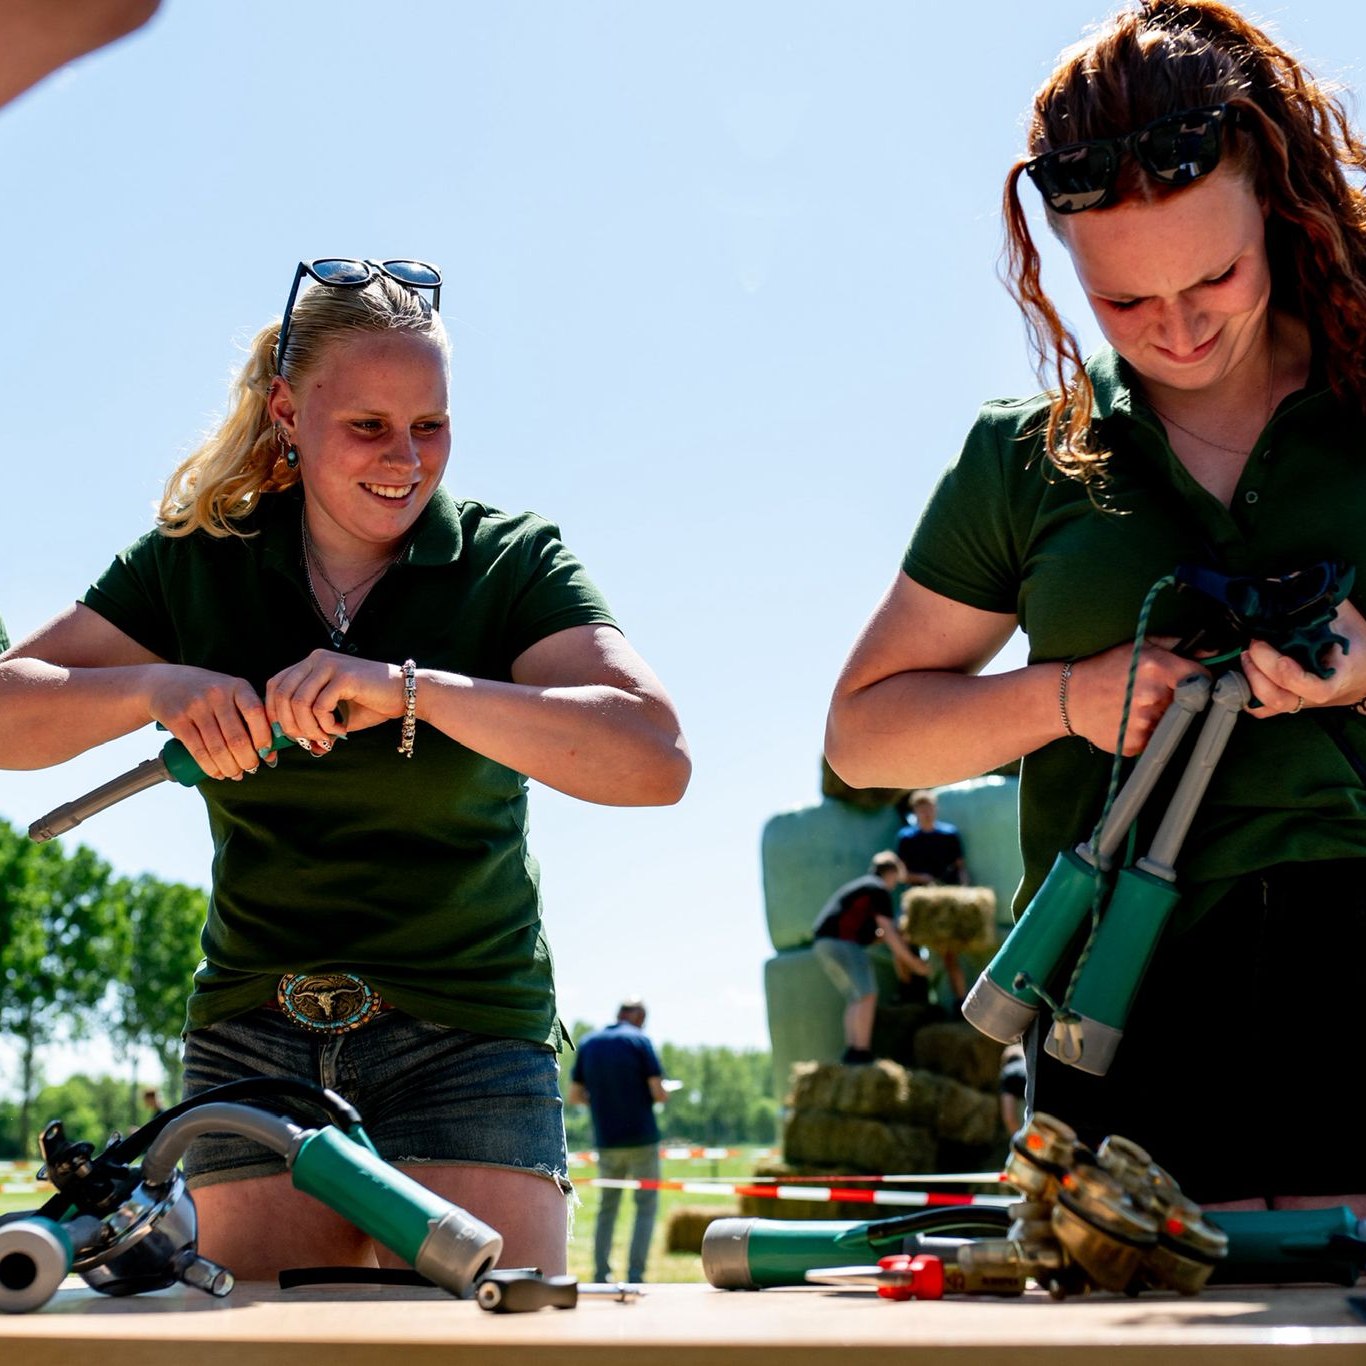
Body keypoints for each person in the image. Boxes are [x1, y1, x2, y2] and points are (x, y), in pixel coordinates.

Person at [0, 257, 691, 1276]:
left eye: (432, 425)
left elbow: (655, 756)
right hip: (254, 1041)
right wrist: (157, 687)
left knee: (492, 1347)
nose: (406, 459)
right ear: (287, 408)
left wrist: (411, 688)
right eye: (367, 426)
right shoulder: (199, 560)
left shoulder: (512, 563)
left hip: (470, 1038)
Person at [825, 1, 1366, 1212]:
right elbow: (863, 734)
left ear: (1274, 200)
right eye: (1124, 303)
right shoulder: (1022, 461)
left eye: (1215, 275)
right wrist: (1070, 698)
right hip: (1112, 1011)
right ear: (1059, 259)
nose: (1178, 329)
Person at [569, 998, 668, 1284]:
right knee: (646, 1207)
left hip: (607, 1140)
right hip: (642, 1139)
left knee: (607, 1209)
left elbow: (575, 1095)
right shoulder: (640, 1041)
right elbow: (658, 1092)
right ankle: (635, 1275)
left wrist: (604, 1101)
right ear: (636, 1016)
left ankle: (602, 1274)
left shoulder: (588, 1043)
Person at [811, 852, 930, 1063]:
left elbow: (876, 933)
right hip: (843, 942)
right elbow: (888, 931)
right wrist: (914, 964)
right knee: (868, 994)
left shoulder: (864, 886)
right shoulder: (878, 888)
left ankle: (852, 1050)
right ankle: (862, 1051)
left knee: (855, 997)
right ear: (892, 872)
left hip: (824, 944)